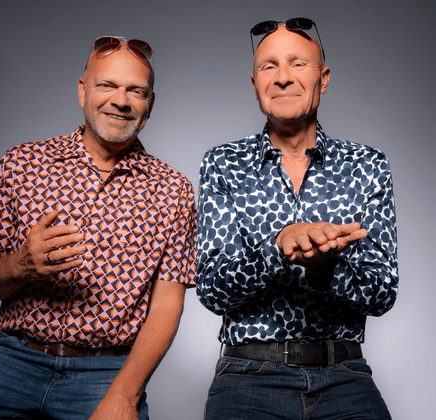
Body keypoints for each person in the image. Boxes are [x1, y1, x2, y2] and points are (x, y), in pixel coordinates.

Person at [0, 36, 196, 420]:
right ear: (82, 91)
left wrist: (124, 395)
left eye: (136, 91)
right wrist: (20, 265)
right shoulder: (22, 164)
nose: (121, 101)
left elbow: (166, 307)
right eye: (107, 85)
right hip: (13, 358)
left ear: (150, 104)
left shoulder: (174, 189)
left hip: (106, 371)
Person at [196, 18, 397, 420]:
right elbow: (212, 290)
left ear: (323, 78)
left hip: (343, 375)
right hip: (248, 375)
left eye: (298, 64)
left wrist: (327, 269)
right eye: (269, 66)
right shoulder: (222, 164)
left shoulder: (368, 165)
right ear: (255, 84)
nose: (283, 77)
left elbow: (383, 294)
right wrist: (277, 247)